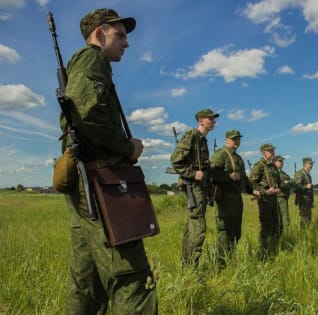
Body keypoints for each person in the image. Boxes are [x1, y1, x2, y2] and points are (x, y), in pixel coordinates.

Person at [61, 8, 157, 314]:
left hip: (89, 185)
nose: (126, 43)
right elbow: (87, 115)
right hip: (101, 186)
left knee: (87, 282)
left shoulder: (88, 64)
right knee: (131, 279)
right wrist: (127, 148)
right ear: (100, 33)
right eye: (120, 35)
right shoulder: (92, 59)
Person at [170, 109, 219, 267]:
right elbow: (176, 160)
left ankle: (187, 265)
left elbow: (204, 169)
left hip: (201, 187)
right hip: (193, 186)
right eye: (210, 119)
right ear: (201, 121)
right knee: (198, 226)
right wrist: (191, 173)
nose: (214, 122)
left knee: (192, 226)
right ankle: (192, 267)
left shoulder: (202, 140)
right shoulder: (192, 135)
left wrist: (210, 192)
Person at [210, 130, 257, 268]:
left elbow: (244, 178)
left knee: (236, 231)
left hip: (237, 198)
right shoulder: (220, 155)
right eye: (233, 139)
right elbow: (212, 173)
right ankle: (220, 265)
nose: (236, 141)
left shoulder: (238, 158)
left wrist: (252, 190)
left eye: (238, 139)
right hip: (224, 198)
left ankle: (230, 259)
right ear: (227, 140)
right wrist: (229, 177)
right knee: (224, 231)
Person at [249, 144, 282, 259]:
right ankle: (263, 250)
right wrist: (265, 191)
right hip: (264, 199)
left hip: (273, 199)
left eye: (273, 151)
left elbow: (278, 181)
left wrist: (278, 188)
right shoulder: (259, 166)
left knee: (275, 224)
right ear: (264, 153)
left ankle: (273, 249)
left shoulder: (273, 166)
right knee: (266, 225)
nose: (273, 153)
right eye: (270, 151)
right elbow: (251, 183)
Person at [273, 155, 294, 228]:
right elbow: (275, 185)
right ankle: (284, 234)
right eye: (280, 161)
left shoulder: (282, 172)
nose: (282, 163)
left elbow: (291, 180)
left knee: (284, 216)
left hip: (284, 197)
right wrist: (285, 183)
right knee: (284, 217)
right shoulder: (273, 172)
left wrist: (287, 182)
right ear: (274, 162)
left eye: (282, 161)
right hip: (278, 197)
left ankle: (283, 234)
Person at [294, 157, 315, 228]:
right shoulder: (300, 173)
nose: (312, 165)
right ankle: (303, 235)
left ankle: (307, 233)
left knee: (308, 219)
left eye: (312, 164)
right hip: (303, 200)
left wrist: (312, 201)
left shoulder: (308, 174)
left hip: (308, 200)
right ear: (305, 164)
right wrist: (306, 186)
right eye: (310, 164)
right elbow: (296, 186)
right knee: (304, 219)